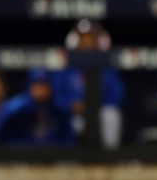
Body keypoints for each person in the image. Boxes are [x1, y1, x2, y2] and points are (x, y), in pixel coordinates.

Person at [51, 19, 124, 149]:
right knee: (61, 117)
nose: (87, 42)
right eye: (83, 39)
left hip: (99, 111)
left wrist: (93, 106)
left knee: (111, 114)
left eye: (91, 39)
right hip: (73, 114)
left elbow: (117, 96)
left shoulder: (107, 68)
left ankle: (111, 156)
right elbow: (56, 95)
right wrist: (71, 105)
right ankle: (66, 159)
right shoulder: (65, 69)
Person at [0, 68, 75, 146]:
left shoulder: (61, 110)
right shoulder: (15, 109)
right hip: (21, 155)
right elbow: (5, 140)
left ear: (50, 87)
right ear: (29, 86)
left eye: (44, 85)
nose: (40, 90)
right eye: (37, 85)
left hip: (55, 155)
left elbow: (69, 140)